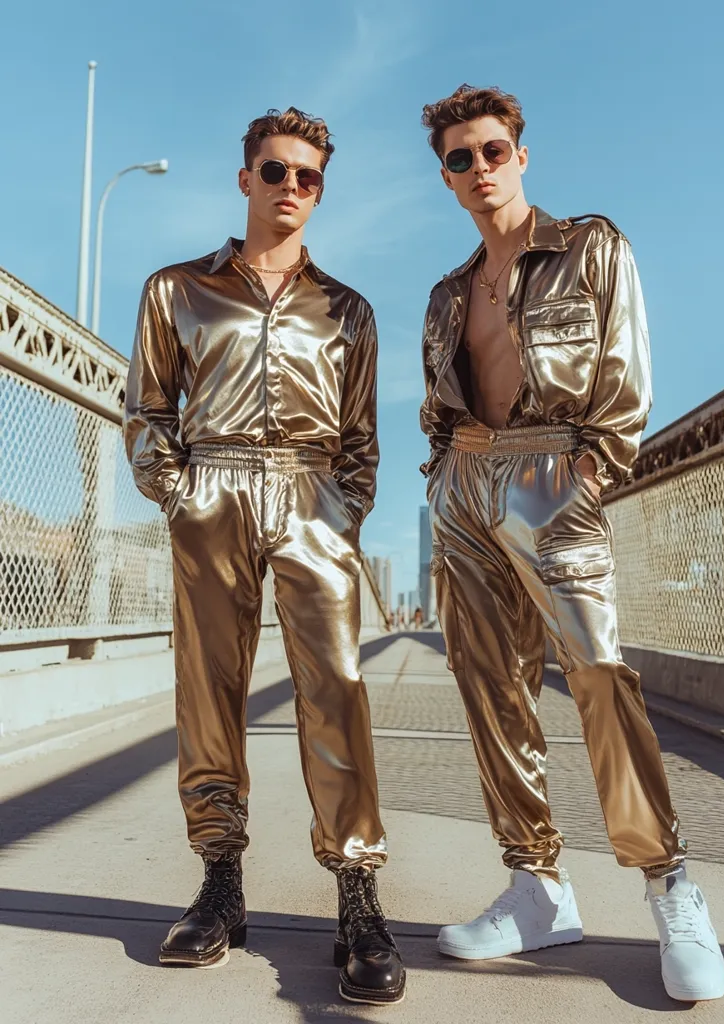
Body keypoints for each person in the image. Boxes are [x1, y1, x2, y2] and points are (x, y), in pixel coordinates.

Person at [418, 84, 724, 1003]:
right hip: (466, 487)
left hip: (556, 475)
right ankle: (537, 887)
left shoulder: (591, 245)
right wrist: (443, 478)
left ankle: (669, 881)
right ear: (446, 175)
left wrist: (590, 471)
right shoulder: (444, 294)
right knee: (490, 690)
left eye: (493, 151)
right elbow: (438, 409)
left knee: (597, 677)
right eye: (459, 159)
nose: (479, 169)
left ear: (521, 154)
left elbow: (626, 379)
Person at [124, 107, 405, 1006]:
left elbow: (362, 437)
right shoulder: (175, 290)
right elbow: (147, 411)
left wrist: (340, 511)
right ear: (245, 179)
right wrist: (178, 493)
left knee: (336, 690)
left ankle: (356, 894)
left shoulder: (348, 310)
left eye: (309, 177)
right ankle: (220, 880)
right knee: (209, 685)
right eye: (277, 171)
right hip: (211, 488)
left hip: (311, 495)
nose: (292, 188)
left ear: (321, 191)